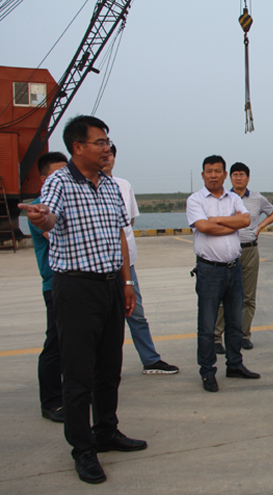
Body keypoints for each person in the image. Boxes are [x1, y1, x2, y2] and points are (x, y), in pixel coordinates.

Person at [21, 116, 145, 484]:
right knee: (77, 374)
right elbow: (48, 219)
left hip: (111, 286)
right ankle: (83, 449)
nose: (107, 148)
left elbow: (120, 236)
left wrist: (126, 282)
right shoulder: (59, 182)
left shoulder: (110, 186)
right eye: (100, 142)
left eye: (107, 142)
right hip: (76, 289)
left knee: (109, 366)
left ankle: (106, 431)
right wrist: (41, 218)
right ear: (78, 147)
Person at [186, 155, 261, 393]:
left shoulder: (234, 198)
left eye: (217, 171)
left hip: (233, 268)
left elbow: (246, 220)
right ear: (203, 174)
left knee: (235, 322)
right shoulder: (195, 200)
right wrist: (231, 224)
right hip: (209, 271)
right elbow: (203, 227)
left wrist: (217, 220)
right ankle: (208, 371)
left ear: (224, 174)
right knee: (207, 326)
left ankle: (235, 364)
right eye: (209, 171)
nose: (213, 175)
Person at [103, 145, 178, 374]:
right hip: (100, 265)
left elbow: (130, 222)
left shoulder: (124, 186)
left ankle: (150, 360)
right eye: (103, 153)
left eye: (110, 154)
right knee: (104, 320)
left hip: (127, 264)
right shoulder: (85, 188)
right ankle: (103, 368)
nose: (107, 158)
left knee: (135, 312)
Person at [213, 162, 273, 352]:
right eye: (235, 175)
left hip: (249, 250)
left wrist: (259, 227)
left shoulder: (257, 199)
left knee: (248, 296)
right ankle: (216, 337)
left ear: (248, 178)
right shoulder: (223, 198)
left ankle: (244, 335)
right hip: (227, 251)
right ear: (229, 177)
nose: (238, 178)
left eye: (242, 174)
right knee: (222, 295)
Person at [29, 152, 68, 423]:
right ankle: (52, 402)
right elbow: (53, 231)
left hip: (79, 283)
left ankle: (76, 393)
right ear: (44, 180)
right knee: (55, 343)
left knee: (80, 343)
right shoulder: (38, 209)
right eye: (57, 174)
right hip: (55, 284)